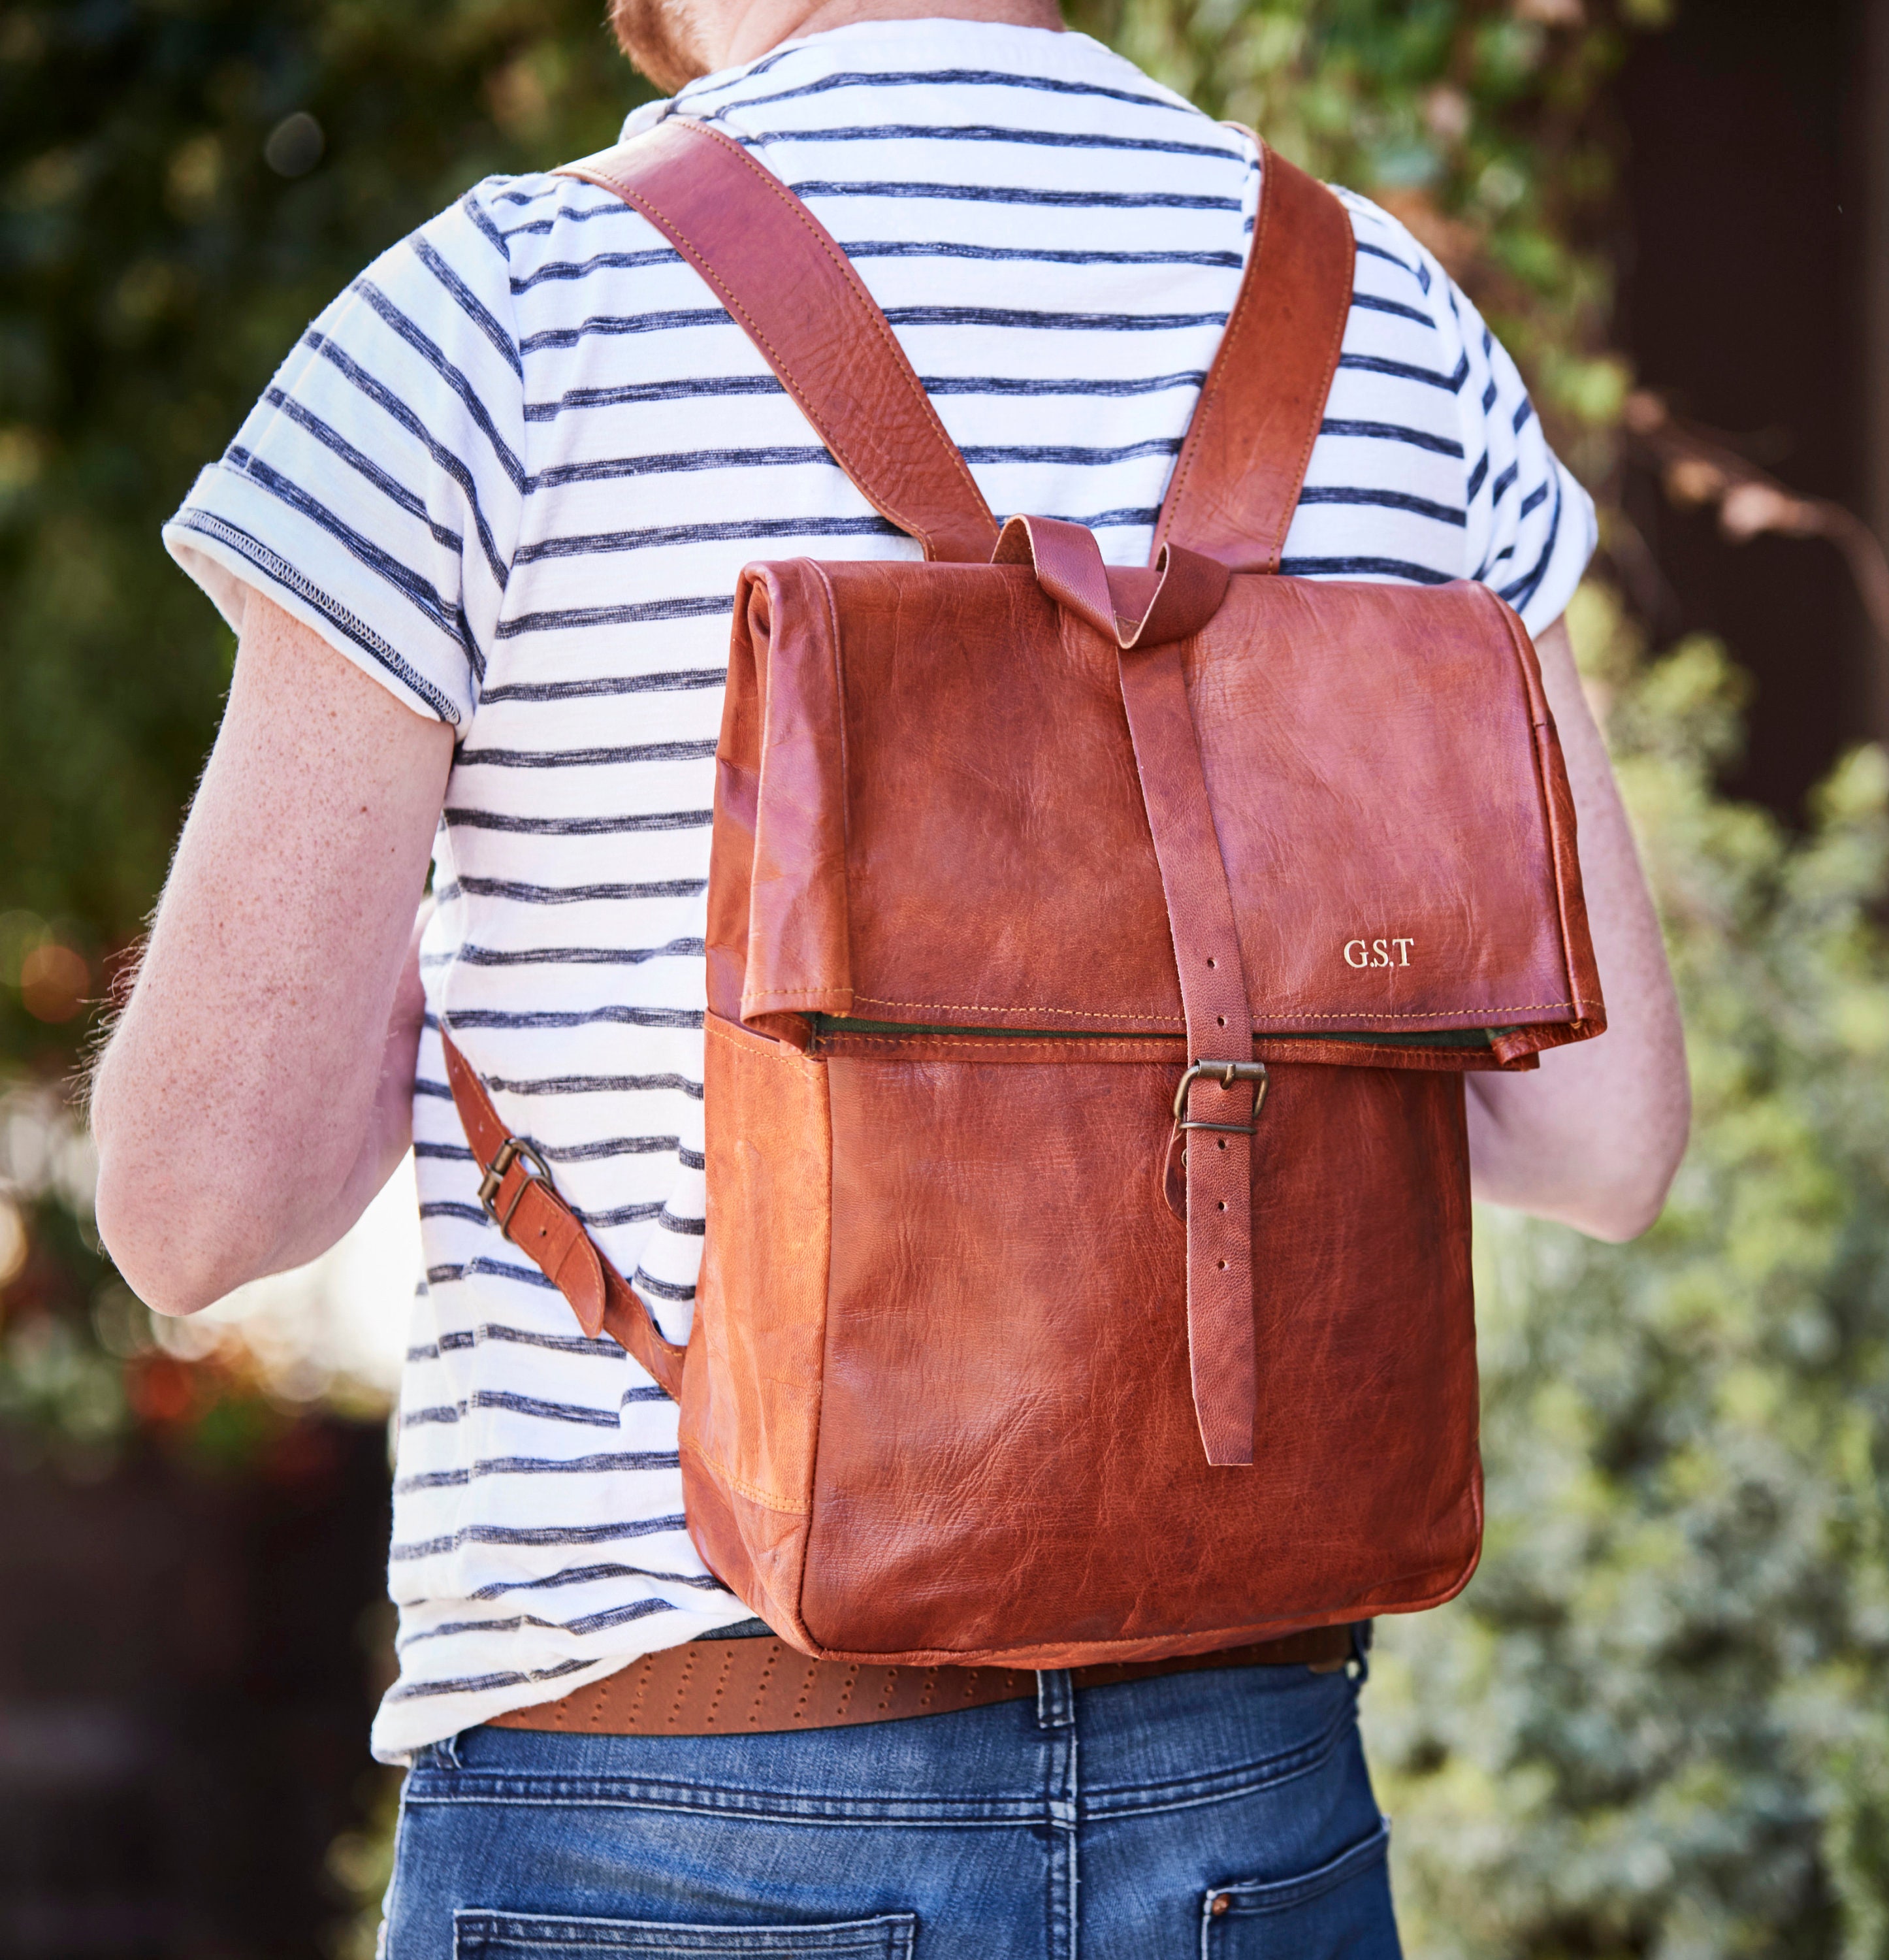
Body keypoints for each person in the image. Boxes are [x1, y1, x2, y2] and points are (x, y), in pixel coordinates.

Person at [89, 0, 1690, 1949]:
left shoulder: (500, 312)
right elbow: (1603, 1140)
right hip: (1250, 1804)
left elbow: (203, 1207)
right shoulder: (1390, 324)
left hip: (670, 1820)